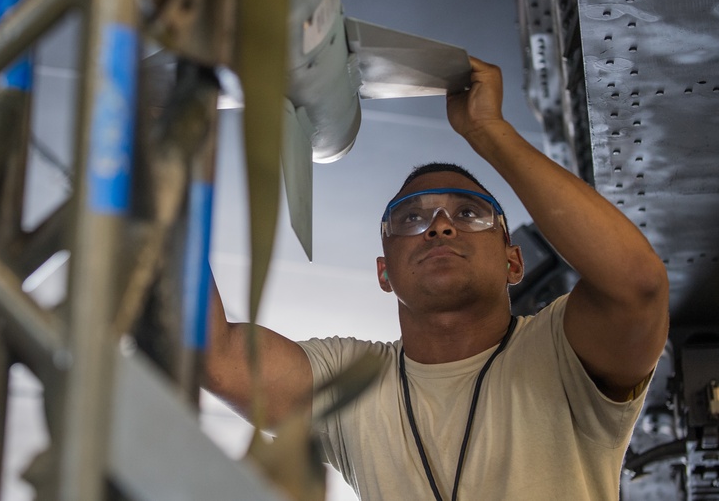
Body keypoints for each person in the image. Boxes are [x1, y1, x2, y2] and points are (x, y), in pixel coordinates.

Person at [202, 56, 669, 500]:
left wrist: (488, 131)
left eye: (468, 213)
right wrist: (156, 152)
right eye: (409, 219)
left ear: (514, 262)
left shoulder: (561, 351)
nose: (439, 226)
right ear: (385, 273)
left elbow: (636, 284)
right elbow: (216, 357)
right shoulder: (355, 383)